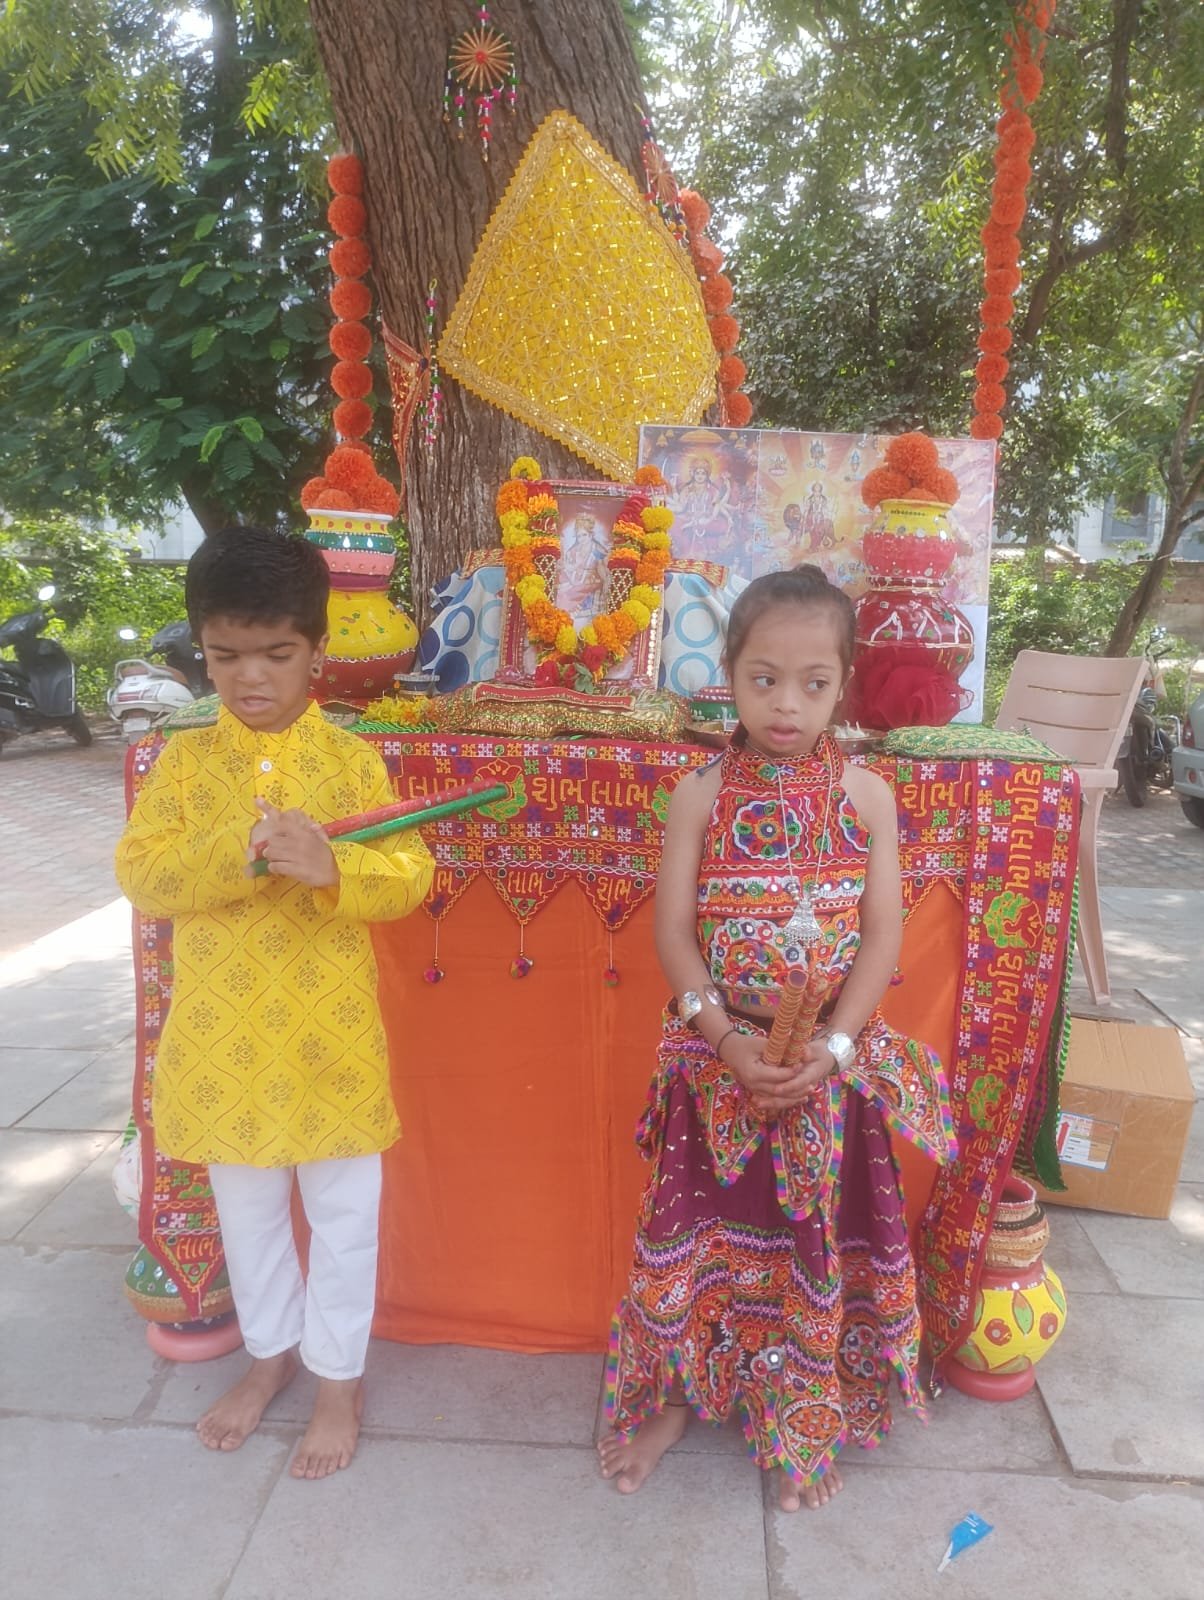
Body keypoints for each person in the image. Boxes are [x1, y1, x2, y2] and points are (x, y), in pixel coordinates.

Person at [598, 565, 953, 1511]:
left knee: (811, 1244)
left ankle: (800, 1417)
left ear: (844, 685)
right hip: (719, 1063)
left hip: (830, 1068)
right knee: (696, 1237)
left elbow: (882, 940)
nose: (786, 703)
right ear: (729, 674)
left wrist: (834, 1050)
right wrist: (725, 1042)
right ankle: (677, 1401)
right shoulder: (700, 794)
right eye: (763, 679)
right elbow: (674, 937)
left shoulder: (868, 797)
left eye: (813, 682)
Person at [115, 526, 433, 1480]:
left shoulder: (352, 762)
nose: (250, 677)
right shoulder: (181, 765)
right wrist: (236, 856)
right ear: (201, 652)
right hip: (225, 1046)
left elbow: (411, 873)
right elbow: (142, 874)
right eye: (225, 656)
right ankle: (270, 1358)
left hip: (331, 1038)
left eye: (276, 654)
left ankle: (338, 1378)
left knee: (345, 1218)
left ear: (318, 650)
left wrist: (335, 868)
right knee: (249, 1218)